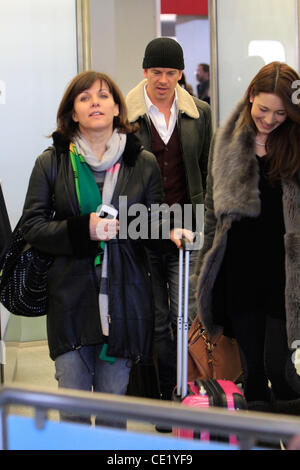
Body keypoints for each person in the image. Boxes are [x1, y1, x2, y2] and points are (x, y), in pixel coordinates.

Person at [20, 70, 191, 426]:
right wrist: (87, 228)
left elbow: (152, 221)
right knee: (74, 410)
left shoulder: (141, 162)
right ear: (72, 114)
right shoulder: (51, 162)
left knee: (115, 408)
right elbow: (32, 227)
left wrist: (171, 229)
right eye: (84, 98)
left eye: (102, 96)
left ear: (117, 108)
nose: (94, 103)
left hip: (125, 300)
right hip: (71, 300)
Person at [195, 61, 300, 413]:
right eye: (264, 109)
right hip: (238, 273)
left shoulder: (297, 144)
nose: (269, 119)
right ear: (251, 96)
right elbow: (212, 212)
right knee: (252, 372)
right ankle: (261, 441)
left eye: (281, 113)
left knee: (279, 368)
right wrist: (203, 273)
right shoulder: (227, 142)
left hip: (285, 276)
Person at [126, 37, 212, 403]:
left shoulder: (200, 114)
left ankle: (186, 389)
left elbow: (207, 170)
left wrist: (207, 218)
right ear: (145, 71)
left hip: (187, 223)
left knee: (185, 313)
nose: (163, 79)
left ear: (180, 74)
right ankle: (164, 393)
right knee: (156, 319)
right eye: (156, 71)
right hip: (141, 224)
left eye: (170, 72)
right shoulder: (125, 116)